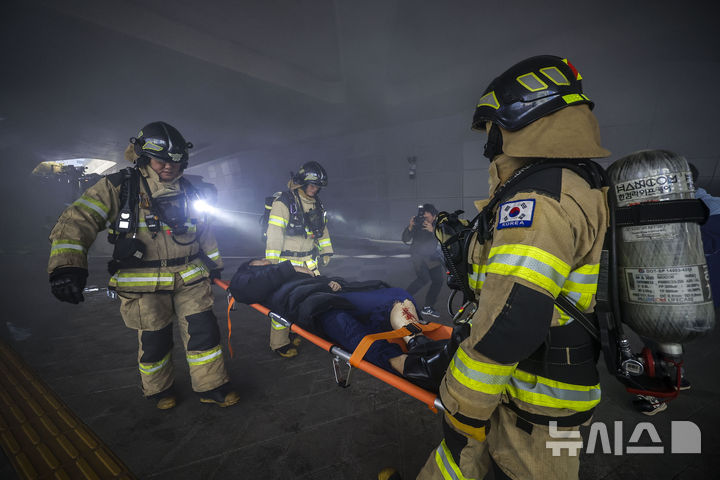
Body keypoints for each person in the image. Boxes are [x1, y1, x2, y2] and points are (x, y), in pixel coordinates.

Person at [416, 55, 611, 480]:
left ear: (520, 116)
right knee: (459, 458)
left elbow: (511, 321)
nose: (490, 140)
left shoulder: (539, 201)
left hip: (533, 395)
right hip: (521, 385)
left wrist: (463, 401)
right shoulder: (570, 182)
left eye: (492, 127)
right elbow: (512, 265)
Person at [48, 121, 239, 410]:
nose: (169, 167)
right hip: (143, 283)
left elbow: (204, 230)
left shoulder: (191, 190)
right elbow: (77, 221)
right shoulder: (119, 187)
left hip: (190, 278)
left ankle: (212, 385)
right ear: (143, 156)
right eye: (161, 160)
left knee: (205, 334)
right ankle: (159, 390)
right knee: (155, 340)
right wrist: (66, 266)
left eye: (176, 161)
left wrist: (214, 263)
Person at [229, 259, 451, 390]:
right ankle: (409, 367)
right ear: (251, 266)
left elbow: (313, 280)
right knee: (346, 326)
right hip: (314, 306)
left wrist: (330, 282)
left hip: (333, 294)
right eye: (261, 261)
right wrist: (290, 268)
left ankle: (417, 343)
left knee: (397, 296)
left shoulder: (277, 271)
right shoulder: (248, 277)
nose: (266, 261)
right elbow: (242, 290)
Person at [264, 161, 334, 357]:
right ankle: (279, 343)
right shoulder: (284, 202)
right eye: (312, 185)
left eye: (318, 187)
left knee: (305, 299)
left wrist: (326, 251)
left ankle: (296, 330)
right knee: (282, 303)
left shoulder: (317, 203)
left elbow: (323, 230)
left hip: (309, 262)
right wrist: (272, 263)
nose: (315, 190)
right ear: (302, 183)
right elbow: (275, 233)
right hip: (288, 263)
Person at [401, 203, 444, 318]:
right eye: (423, 217)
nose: (425, 219)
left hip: (432, 256)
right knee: (423, 279)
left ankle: (428, 307)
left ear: (434, 215)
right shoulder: (418, 223)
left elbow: (445, 238)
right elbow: (405, 239)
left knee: (438, 280)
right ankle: (401, 300)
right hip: (418, 256)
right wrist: (410, 226)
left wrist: (433, 230)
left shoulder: (439, 224)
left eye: (427, 217)